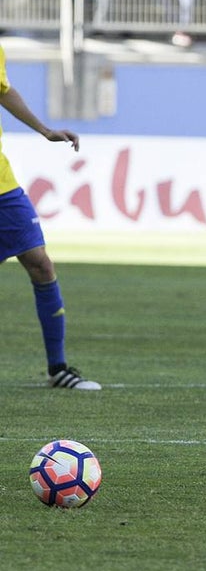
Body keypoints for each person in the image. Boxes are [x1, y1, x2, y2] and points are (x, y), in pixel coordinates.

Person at [0, 44, 100, 390]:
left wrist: (44, 130)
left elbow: (4, 90)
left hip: (2, 185)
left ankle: (58, 368)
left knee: (41, 263)